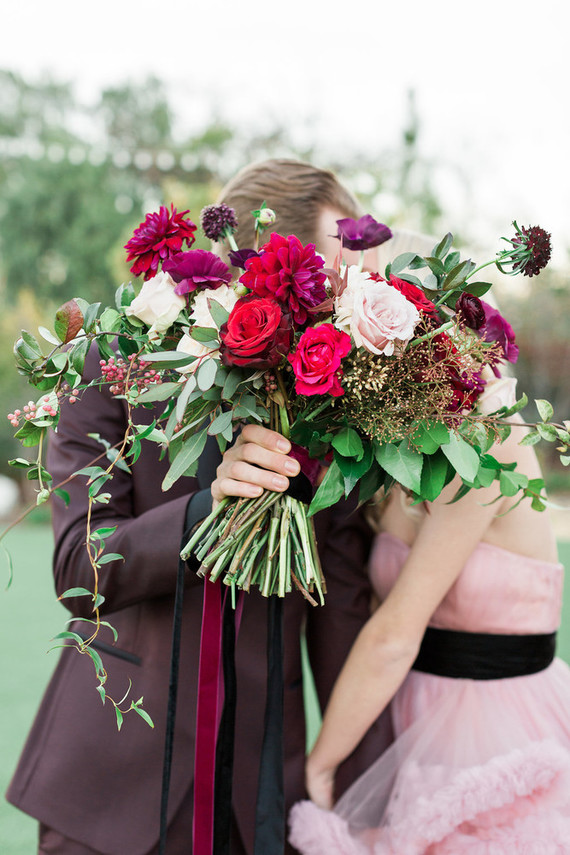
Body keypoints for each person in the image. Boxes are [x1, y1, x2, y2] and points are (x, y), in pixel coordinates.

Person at [6, 158, 395, 855]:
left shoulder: (332, 406)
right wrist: (207, 509)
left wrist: (371, 796)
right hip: (108, 785)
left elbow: (341, 605)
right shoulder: (113, 362)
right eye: (345, 252)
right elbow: (78, 567)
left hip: (256, 794)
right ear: (282, 262)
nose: (360, 276)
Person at [289, 373, 570, 853]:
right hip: (406, 719)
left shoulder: (485, 435)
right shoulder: (388, 437)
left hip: (499, 728)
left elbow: (393, 635)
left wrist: (320, 765)